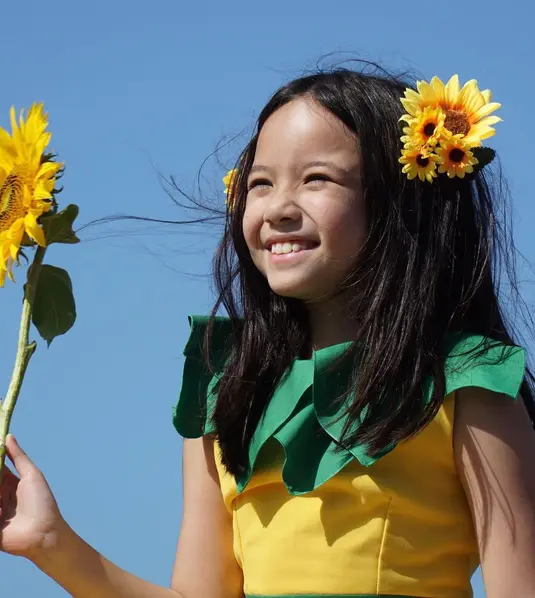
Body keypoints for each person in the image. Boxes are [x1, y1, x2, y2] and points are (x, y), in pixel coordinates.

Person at [1, 66, 535, 598]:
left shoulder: (467, 384)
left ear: (401, 200)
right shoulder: (224, 390)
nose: (278, 207)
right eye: (261, 183)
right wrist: (52, 543)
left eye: (316, 179)